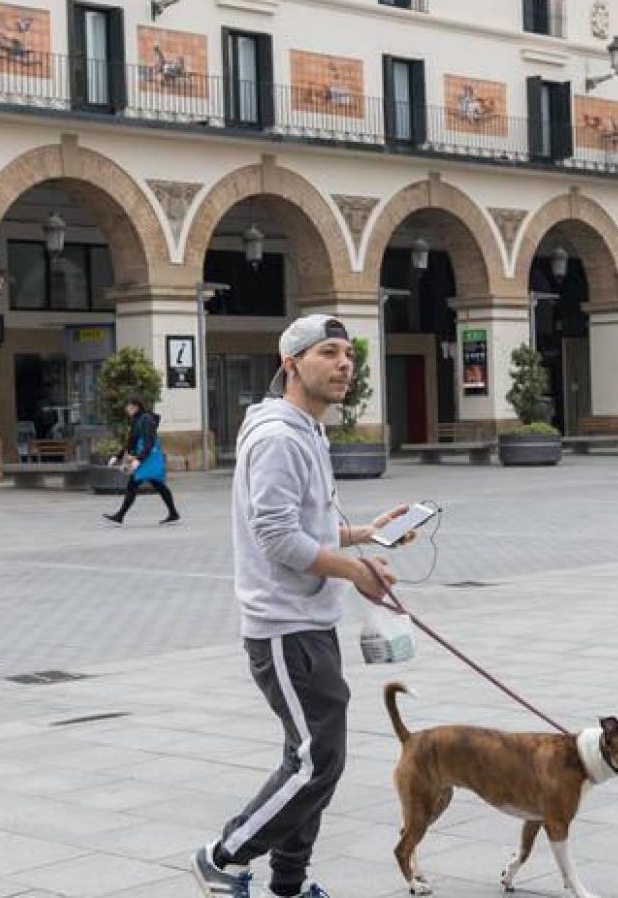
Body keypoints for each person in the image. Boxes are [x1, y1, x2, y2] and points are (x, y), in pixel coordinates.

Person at [190, 314, 409, 898]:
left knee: (312, 760)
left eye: (349, 355)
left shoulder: (308, 430)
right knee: (317, 762)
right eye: (328, 353)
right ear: (291, 365)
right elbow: (279, 539)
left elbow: (308, 524)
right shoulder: (280, 436)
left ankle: (288, 885)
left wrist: (365, 534)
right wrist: (357, 572)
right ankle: (223, 855)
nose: (344, 364)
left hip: (310, 624)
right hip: (283, 629)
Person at [103, 398, 179, 526]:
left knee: (134, 485)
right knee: (158, 485)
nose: (126, 410)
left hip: (148, 456)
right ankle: (173, 513)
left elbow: (149, 442)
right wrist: (117, 456)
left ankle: (120, 516)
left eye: (128, 407)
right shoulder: (136, 420)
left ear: (135, 407)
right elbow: (131, 440)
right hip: (144, 456)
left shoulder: (146, 420)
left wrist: (138, 460)